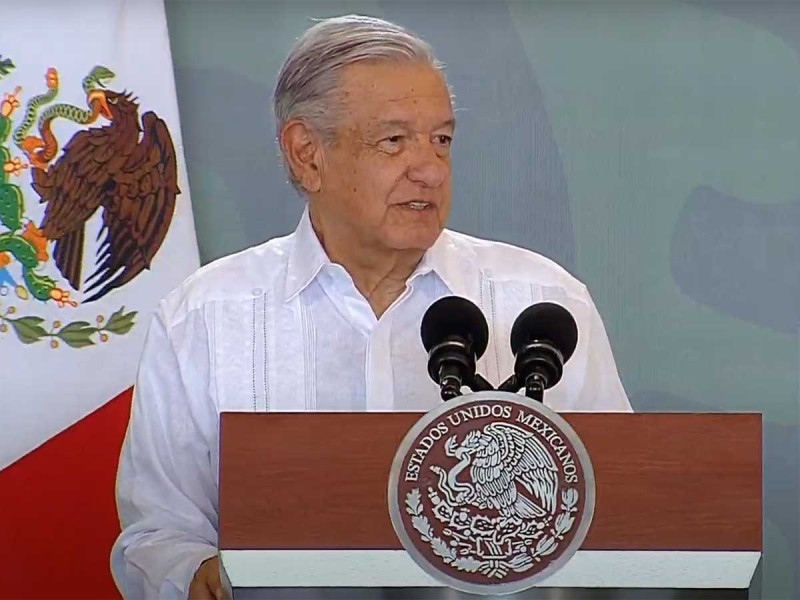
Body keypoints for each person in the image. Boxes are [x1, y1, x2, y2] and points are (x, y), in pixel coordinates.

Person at [111, 14, 632, 600]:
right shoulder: (205, 317)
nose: (429, 169)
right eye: (394, 141)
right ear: (307, 154)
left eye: (441, 140)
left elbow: (623, 511)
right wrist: (199, 574)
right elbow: (159, 533)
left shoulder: (543, 303)